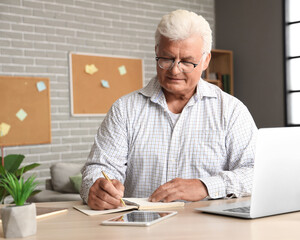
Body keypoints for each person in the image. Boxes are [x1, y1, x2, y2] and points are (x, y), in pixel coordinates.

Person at [80, 9, 258, 210]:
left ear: (205, 60)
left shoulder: (232, 111)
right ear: (157, 51)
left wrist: (205, 186)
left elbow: (255, 172)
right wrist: (95, 188)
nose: (175, 70)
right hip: (139, 230)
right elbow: (99, 169)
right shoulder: (124, 110)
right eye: (167, 59)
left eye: (187, 62)